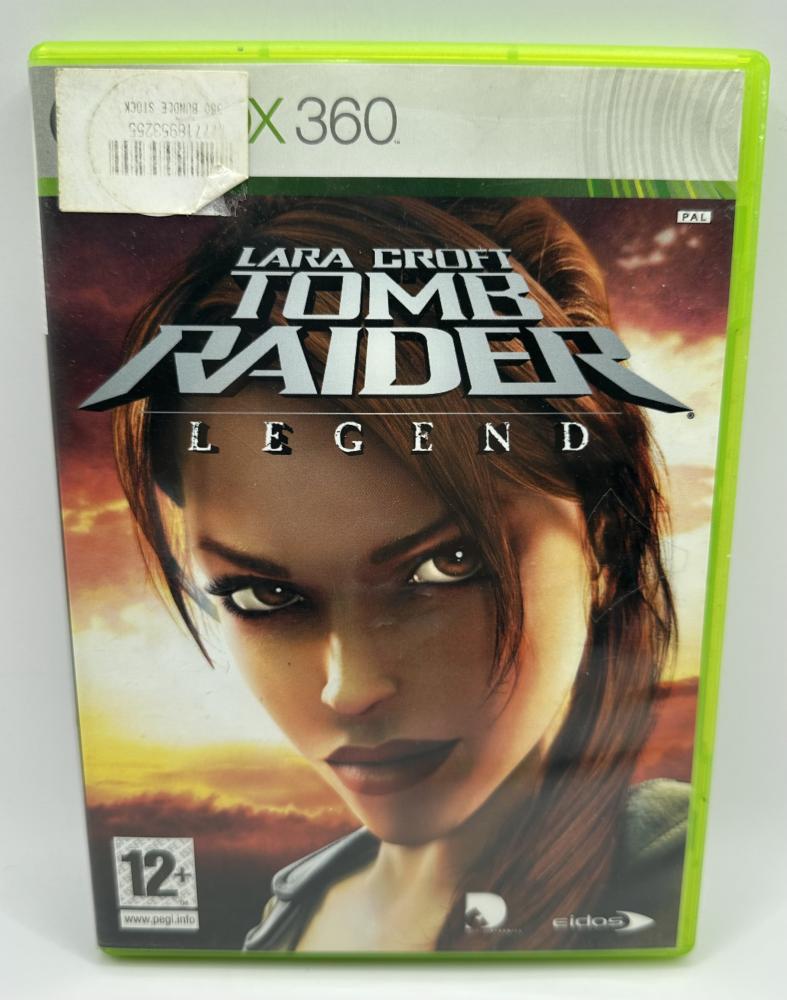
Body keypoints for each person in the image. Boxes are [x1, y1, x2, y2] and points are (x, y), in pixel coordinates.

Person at [110, 196, 688, 952]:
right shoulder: (288, 914)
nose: (348, 690)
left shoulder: (672, 877)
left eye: (446, 566)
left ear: (604, 541)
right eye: (264, 595)